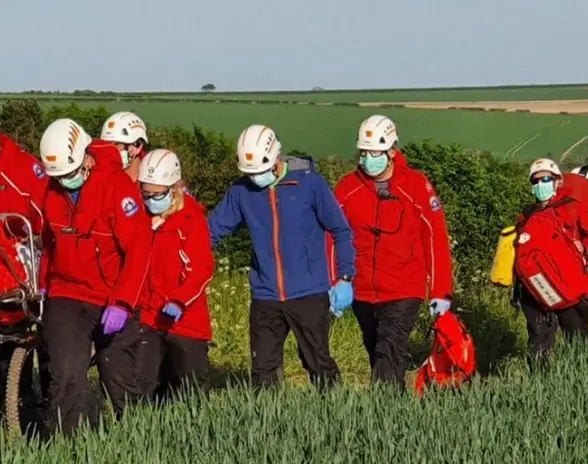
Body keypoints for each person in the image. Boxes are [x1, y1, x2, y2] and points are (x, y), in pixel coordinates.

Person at [208, 124, 355, 389]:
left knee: (317, 362)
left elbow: (341, 230)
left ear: (276, 158)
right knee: (263, 370)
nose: (256, 178)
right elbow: (211, 232)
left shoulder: (310, 184)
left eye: (260, 172)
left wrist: (345, 277)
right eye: (250, 173)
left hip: (308, 292)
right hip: (265, 295)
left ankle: (335, 412)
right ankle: (269, 424)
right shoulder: (241, 192)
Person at [38, 118, 151, 435]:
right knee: (66, 373)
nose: (65, 181)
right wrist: (45, 285)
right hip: (67, 294)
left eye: (70, 174)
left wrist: (123, 302)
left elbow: (139, 250)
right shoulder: (52, 188)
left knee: (118, 378)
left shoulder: (117, 187)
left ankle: (133, 439)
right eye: (58, 177)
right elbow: (50, 242)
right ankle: (66, 443)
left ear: (86, 156)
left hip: (112, 297)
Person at [329, 115, 453, 389]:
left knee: (389, 349)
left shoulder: (416, 186)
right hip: (361, 291)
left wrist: (440, 291)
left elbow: (435, 240)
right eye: (363, 153)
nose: (367, 158)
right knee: (376, 351)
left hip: (403, 289)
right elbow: (332, 236)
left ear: (391, 151)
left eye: (374, 153)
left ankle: (382, 409)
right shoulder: (347, 188)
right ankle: (394, 412)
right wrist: (334, 280)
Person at [136, 149, 214, 399]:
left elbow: (202, 268)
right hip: (149, 315)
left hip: (186, 319)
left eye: (156, 194)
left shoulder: (192, 220)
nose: (149, 200)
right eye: (145, 194)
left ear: (174, 188)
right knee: (141, 384)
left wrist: (179, 300)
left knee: (190, 389)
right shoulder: (139, 218)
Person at [514, 159, 588, 356]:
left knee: (577, 337)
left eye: (546, 179)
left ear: (558, 182)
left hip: (569, 285)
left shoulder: (574, 207)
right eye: (536, 181)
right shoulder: (526, 215)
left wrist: (583, 247)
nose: (541, 185)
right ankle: (541, 383)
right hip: (537, 287)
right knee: (539, 340)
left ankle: (586, 377)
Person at [0, 111, 49, 430]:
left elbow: (46, 221)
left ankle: (33, 425)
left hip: (17, 272)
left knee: (17, 356)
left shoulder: (24, 169)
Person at [100, 111, 149, 182]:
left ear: (137, 146)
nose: (109, 149)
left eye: (117, 144)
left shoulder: (151, 176)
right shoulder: (97, 171)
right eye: (107, 144)